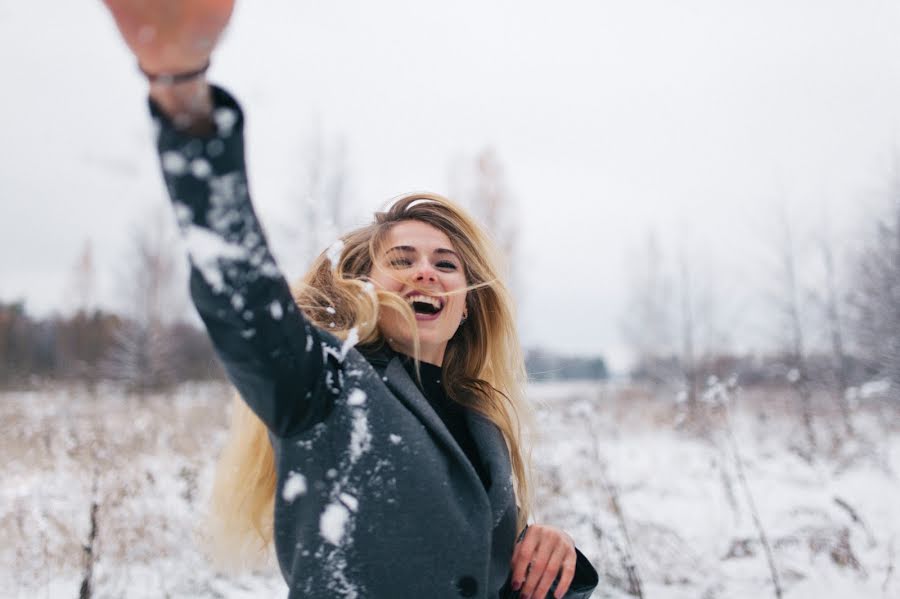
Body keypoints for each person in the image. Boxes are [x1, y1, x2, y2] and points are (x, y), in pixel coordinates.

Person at [102, 1, 598, 598]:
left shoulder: (481, 420)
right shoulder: (325, 387)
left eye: (446, 264)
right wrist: (182, 95)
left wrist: (552, 563)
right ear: (363, 284)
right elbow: (243, 293)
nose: (426, 274)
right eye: (402, 260)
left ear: (469, 302)